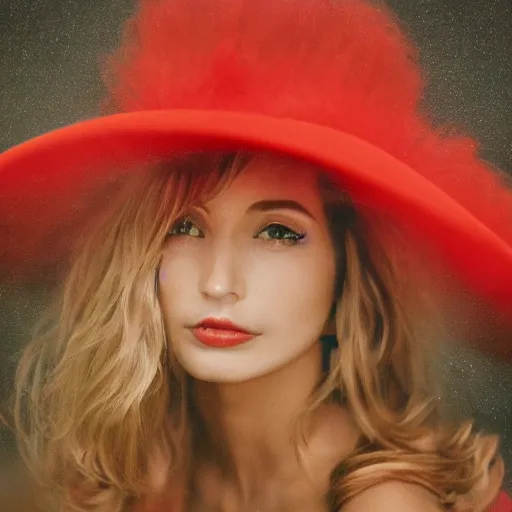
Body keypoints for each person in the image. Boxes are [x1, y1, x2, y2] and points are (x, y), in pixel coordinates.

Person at [1, 0, 511, 511]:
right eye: (184, 225)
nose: (219, 282)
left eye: (278, 232)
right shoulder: (132, 474)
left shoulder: (385, 503)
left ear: (347, 270)